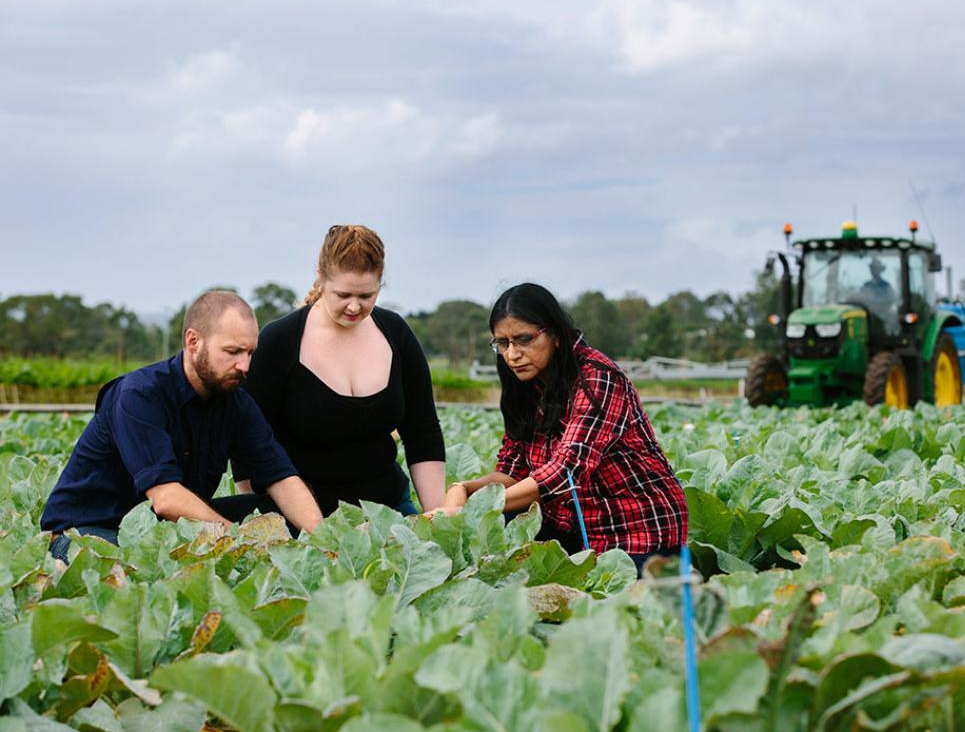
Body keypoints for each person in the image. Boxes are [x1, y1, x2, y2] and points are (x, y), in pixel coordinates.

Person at [41, 291, 324, 562]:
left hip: (160, 529)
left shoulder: (236, 403)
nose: (244, 365)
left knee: (276, 512)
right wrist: (239, 543)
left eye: (250, 353)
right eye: (232, 352)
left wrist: (325, 541)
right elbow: (166, 499)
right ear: (193, 341)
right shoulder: (139, 394)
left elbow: (281, 478)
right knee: (132, 571)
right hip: (92, 529)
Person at [432, 283, 687, 571]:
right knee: (487, 555)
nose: (512, 354)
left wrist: (472, 509)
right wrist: (463, 489)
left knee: (622, 609)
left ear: (554, 334)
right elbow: (512, 471)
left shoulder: (597, 378)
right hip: (574, 528)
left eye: (524, 339)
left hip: (637, 529)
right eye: (502, 344)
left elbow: (566, 472)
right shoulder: (527, 383)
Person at [233, 225, 445, 516]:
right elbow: (248, 441)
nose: (355, 307)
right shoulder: (279, 340)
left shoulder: (396, 333)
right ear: (320, 279)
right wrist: (264, 515)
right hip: (304, 515)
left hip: (388, 509)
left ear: (380, 285)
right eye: (343, 294)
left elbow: (423, 432)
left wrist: (436, 516)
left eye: (367, 295)